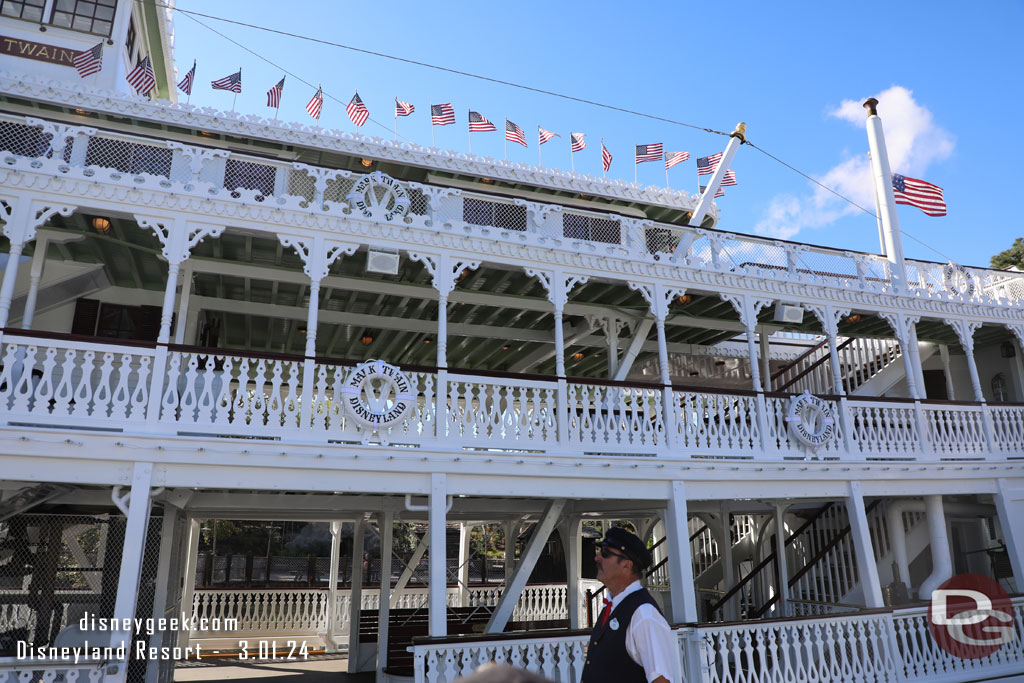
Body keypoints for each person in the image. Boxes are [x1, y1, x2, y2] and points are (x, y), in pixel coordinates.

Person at [580, 527, 679, 683]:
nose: (597, 558)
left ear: (627, 565)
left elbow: (661, 680)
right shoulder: (612, 606)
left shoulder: (644, 614)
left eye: (605, 554)